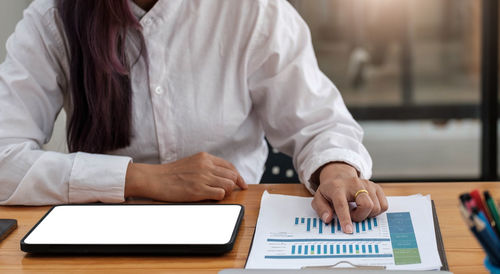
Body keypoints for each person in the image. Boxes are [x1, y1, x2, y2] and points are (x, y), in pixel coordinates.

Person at [0, 0, 387, 234]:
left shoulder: (251, 10)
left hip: (236, 226)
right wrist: (142, 179)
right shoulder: (51, 18)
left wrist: (336, 170)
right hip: (101, 233)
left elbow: (319, 123)